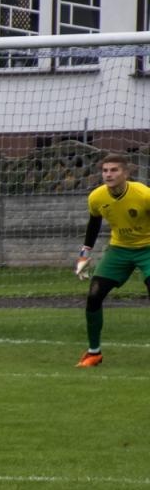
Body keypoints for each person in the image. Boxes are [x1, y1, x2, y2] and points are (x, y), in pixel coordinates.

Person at [74, 153, 150, 367]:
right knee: (94, 295)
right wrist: (84, 254)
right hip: (119, 249)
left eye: (114, 170)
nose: (108, 174)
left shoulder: (144, 195)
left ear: (126, 173)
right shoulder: (97, 197)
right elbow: (94, 225)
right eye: (105, 170)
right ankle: (93, 353)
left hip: (148, 249)